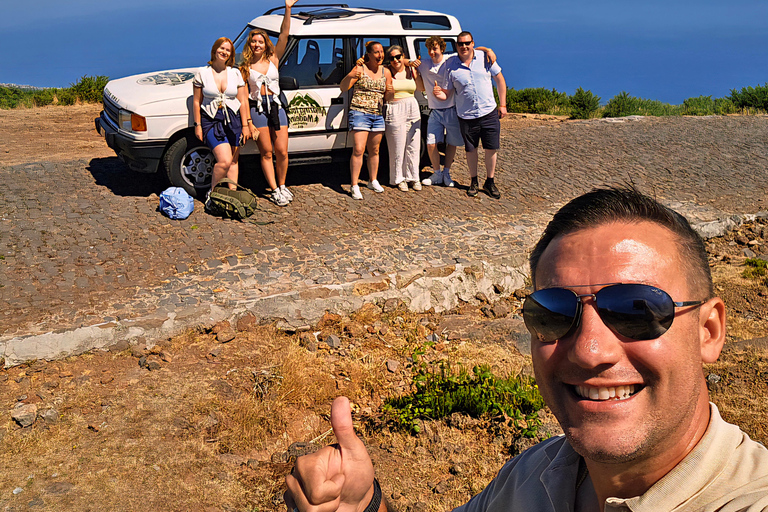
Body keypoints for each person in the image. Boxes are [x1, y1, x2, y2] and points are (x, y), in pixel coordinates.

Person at [284, 186, 768, 511]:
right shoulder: (534, 475)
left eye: (635, 309)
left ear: (708, 331)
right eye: (554, 313)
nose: (589, 349)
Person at [434, 31, 506, 199]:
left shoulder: (485, 57)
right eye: (461, 43)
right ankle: (473, 181)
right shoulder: (450, 64)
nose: (464, 46)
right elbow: (447, 93)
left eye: (467, 43)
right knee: (471, 150)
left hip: (488, 112)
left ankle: (490, 182)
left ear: (473, 43)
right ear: (456, 45)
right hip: (466, 116)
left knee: (491, 148)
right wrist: (438, 94)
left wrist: (503, 104)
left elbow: (500, 80)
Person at [417, 36, 496, 189]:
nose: (432, 52)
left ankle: (446, 173)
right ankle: (437, 173)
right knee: (431, 144)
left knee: (451, 143)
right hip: (435, 110)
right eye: (430, 49)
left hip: (452, 108)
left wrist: (488, 50)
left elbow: (472, 51)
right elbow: (407, 61)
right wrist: (411, 64)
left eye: (435, 48)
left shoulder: (450, 59)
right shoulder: (424, 64)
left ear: (442, 48)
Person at [240, 0, 297, 207]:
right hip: (257, 108)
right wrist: (248, 122)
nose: (257, 45)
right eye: (254, 41)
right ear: (250, 44)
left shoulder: (273, 59)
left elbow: (284, 35)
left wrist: (288, 8)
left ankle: (282, 185)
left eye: (260, 42)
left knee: (282, 151)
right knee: (266, 152)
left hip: (276, 105)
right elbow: (243, 96)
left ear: (266, 44)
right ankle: (274, 190)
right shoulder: (245, 67)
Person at [192, 37, 251, 204]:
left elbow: (243, 101)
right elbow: (196, 101)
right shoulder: (202, 73)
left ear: (231, 54)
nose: (224, 52)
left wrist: (246, 125)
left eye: (228, 50)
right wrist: (197, 125)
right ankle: (213, 194)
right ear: (215, 50)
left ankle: (232, 195)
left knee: (233, 160)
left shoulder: (235, 73)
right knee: (224, 161)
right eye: (221, 48)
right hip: (211, 120)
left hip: (233, 120)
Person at [340, 41, 392, 200]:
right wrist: (351, 74)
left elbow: (388, 96)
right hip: (360, 113)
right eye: (376, 52)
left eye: (381, 52)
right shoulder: (360, 69)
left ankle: (372, 180)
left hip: (377, 114)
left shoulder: (386, 72)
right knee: (358, 149)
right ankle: (354, 184)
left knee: (375, 150)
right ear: (369, 54)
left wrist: (391, 92)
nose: (380, 55)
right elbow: (344, 87)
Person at [383, 45, 422, 192]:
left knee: (414, 145)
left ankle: (413, 177)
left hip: (412, 106)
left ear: (403, 56)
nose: (396, 60)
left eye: (398, 57)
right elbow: (386, 96)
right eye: (392, 58)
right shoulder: (387, 71)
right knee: (397, 146)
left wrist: (412, 66)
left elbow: (421, 88)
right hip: (395, 107)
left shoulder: (411, 70)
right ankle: (399, 178)